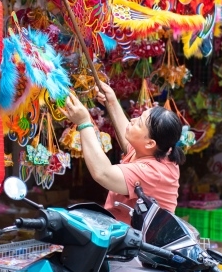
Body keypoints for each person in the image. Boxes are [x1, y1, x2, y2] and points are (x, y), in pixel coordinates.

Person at [63, 81, 185, 223]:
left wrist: (84, 123)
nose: (132, 120)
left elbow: (103, 173)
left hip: (142, 243)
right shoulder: (157, 150)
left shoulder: (153, 172)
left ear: (150, 143)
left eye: (139, 123)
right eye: (139, 117)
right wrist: (112, 101)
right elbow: (129, 137)